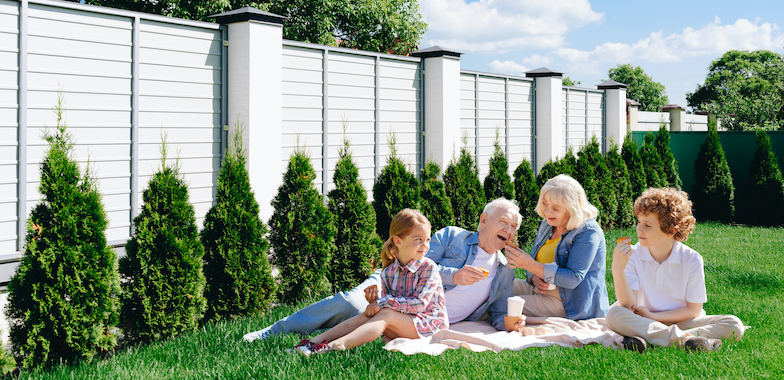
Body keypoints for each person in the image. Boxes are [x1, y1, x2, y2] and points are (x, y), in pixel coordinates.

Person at [243, 198, 522, 342]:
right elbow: (417, 260)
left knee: (359, 318)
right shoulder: (452, 236)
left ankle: (319, 339)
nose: (509, 231)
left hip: (417, 314)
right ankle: (274, 331)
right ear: (484, 220)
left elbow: (498, 311)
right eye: (504, 223)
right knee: (351, 302)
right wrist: (453, 275)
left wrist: (510, 324)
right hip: (396, 284)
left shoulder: (504, 268)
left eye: (514, 228)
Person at [288, 209, 448, 355]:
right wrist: (374, 303)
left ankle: (334, 346)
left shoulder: (428, 267)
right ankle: (312, 343)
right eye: (418, 239)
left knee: (385, 313)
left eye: (427, 240)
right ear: (398, 241)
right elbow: (389, 305)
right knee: (370, 314)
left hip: (429, 326)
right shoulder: (389, 271)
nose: (425, 245)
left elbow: (419, 305)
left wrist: (382, 303)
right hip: (401, 324)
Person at [606, 188, 745, 353]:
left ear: (671, 230)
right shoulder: (633, 255)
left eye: (648, 225)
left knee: (734, 325)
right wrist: (618, 269)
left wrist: (653, 317)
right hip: (641, 320)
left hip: (681, 321)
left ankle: (651, 339)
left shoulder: (692, 259)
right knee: (614, 314)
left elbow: (693, 310)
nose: (639, 229)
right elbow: (629, 306)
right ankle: (687, 341)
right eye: (639, 222)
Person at [503, 174, 609, 321]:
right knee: (494, 286)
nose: (547, 211)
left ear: (571, 208)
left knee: (502, 304)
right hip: (539, 291)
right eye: (545, 204)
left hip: (568, 303)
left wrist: (529, 264)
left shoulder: (588, 231)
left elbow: (573, 278)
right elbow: (535, 264)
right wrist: (535, 278)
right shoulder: (547, 224)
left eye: (555, 208)